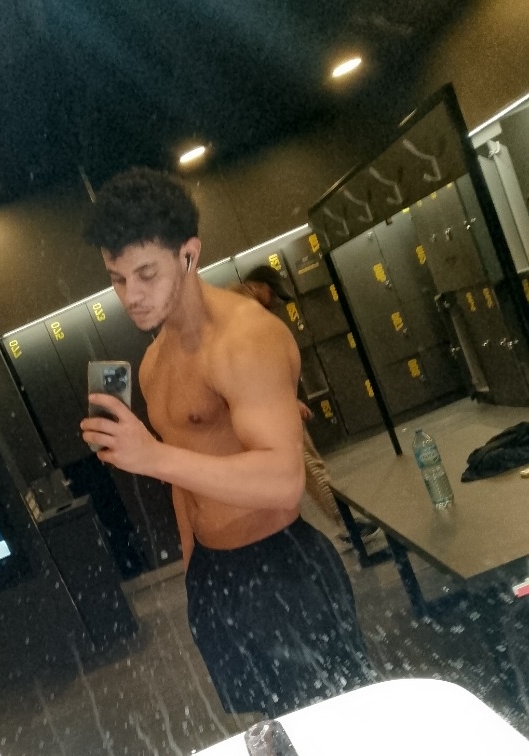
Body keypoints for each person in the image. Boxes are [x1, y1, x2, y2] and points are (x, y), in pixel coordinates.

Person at [81, 166, 376, 719]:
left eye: (146, 274)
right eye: (117, 279)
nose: (131, 296)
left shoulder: (246, 339)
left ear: (188, 255)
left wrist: (153, 455)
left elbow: (284, 482)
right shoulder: (154, 362)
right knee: (272, 732)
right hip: (216, 575)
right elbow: (182, 484)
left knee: (336, 729)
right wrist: (196, 573)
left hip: (283, 568)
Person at [240, 266, 380, 546]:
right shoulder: (244, 318)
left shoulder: (240, 313)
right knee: (308, 463)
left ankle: (334, 525)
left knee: (295, 469)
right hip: (268, 409)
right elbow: (250, 372)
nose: (275, 302)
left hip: (260, 409)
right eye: (272, 293)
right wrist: (286, 402)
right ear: (254, 286)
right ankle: (345, 522)